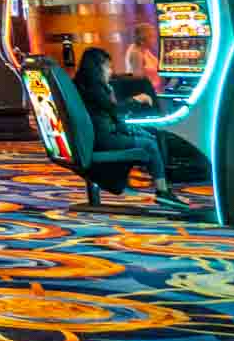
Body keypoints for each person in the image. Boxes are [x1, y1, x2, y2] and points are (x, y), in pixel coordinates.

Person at [74, 46, 184, 209]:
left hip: (96, 135)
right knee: (150, 144)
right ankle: (162, 191)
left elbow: (111, 114)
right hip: (104, 138)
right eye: (108, 67)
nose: (110, 72)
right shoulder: (95, 89)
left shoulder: (82, 85)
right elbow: (114, 110)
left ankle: (159, 186)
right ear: (98, 67)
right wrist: (136, 100)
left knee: (149, 137)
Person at [122, 24, 162, 91]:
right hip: (145, 93)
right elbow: (137, 80)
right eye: (152, 37)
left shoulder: (144, 49)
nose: (155, 40)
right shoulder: (136, 53)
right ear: (143, 39)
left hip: (153, 90)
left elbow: (157, 66)